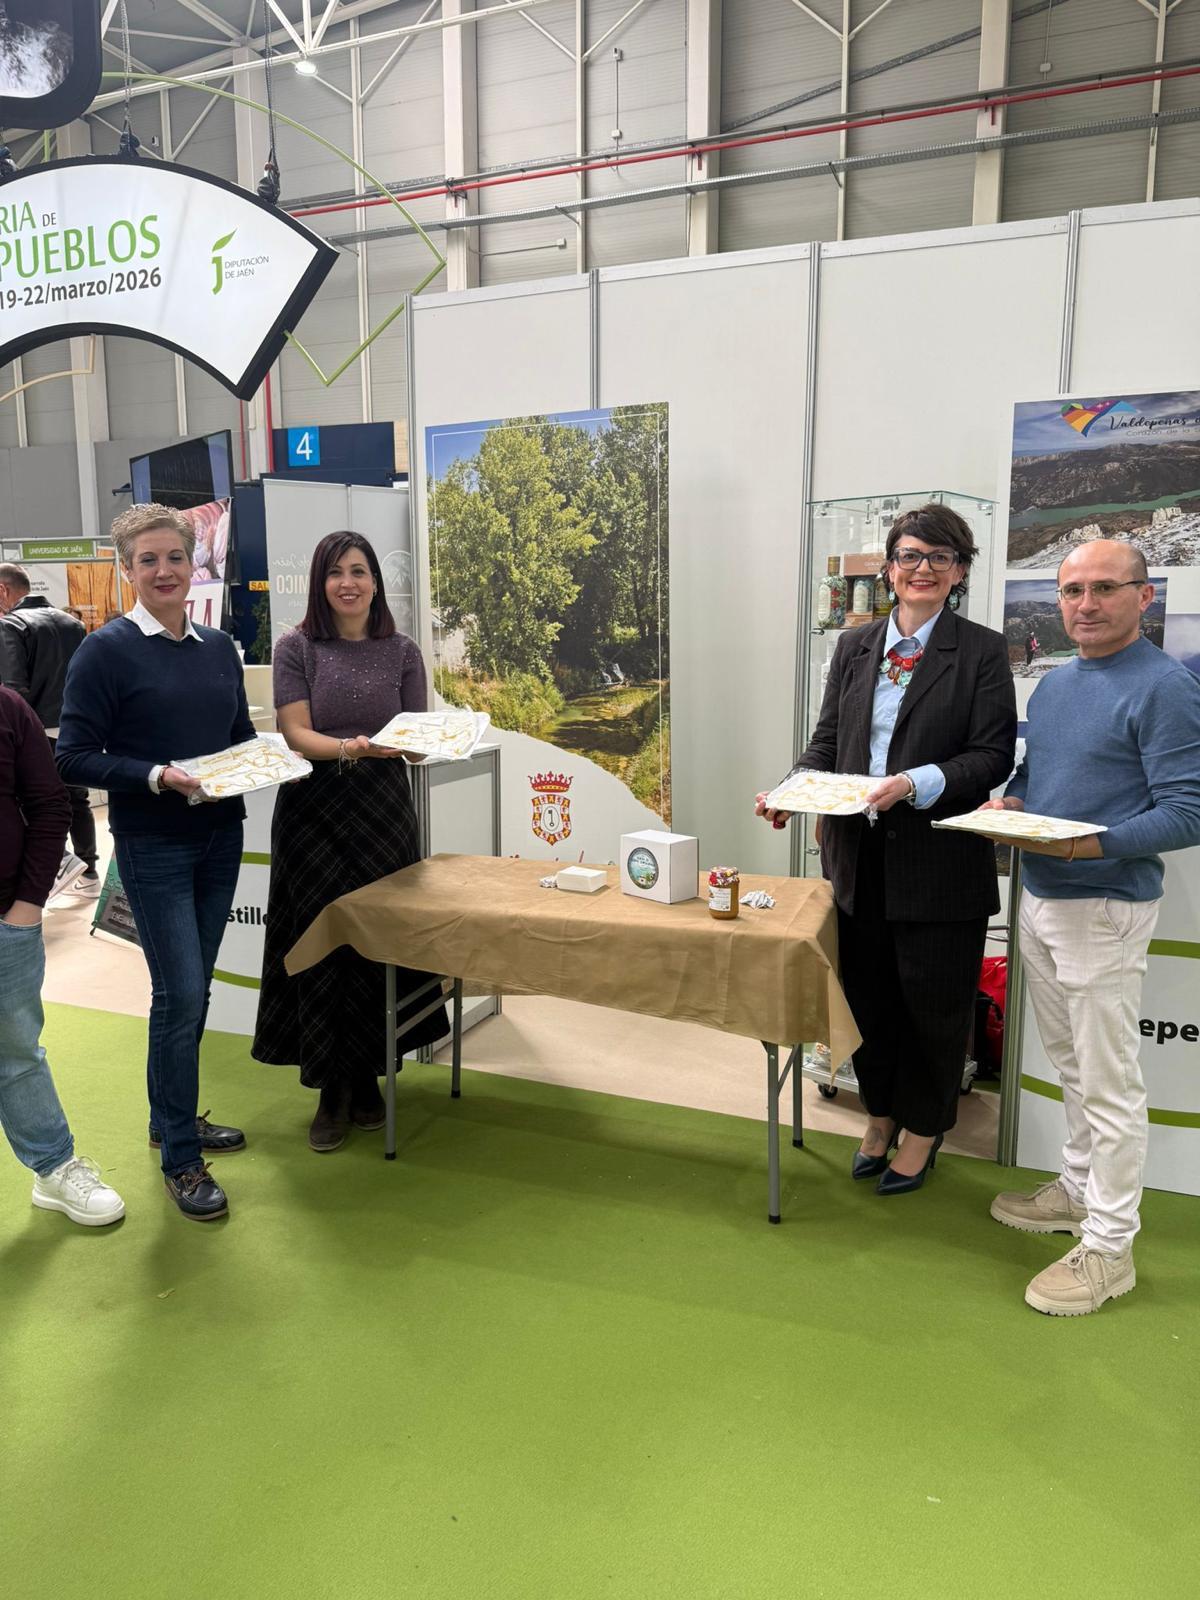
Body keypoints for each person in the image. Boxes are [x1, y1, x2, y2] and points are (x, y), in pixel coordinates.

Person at [756, 504, 1016, 1194]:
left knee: (933, 1006)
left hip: (939, 860)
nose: (922, 569)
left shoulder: (982, 651)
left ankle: (925, 1129)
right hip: (857, 860)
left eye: (939, 558)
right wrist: (791, 790)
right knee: (866, 1001)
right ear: (889, 567)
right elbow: (827, 742)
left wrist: (912, 783)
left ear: (959, 571)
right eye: (908, 556)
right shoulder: (857, 645)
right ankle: (879, 1114)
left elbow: (991, 756)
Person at [976, 540, 1200, 1316]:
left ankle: (1111, 1248)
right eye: (1072, 589)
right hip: (1040, 896)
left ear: (1146, 597)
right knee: (1072, 1061)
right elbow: (1040, 777)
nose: (1086, 604)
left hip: (1104, 904)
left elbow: (1188, 810)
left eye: (1106, 588)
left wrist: (1087, 843)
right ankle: (1077, 1190)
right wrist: (1010, 800)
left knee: (1108, 1083)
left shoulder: (1166, 687)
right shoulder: (1056, 685)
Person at [56, 504, 251, 1223]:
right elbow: (72, 755)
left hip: (219, 836)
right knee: (179, 995)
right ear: (127, 569)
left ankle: (171, 1117)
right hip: (154, 843)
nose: (164, 571)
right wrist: (156, 775)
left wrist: (261, 762)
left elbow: (240, 733)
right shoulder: (104, 651)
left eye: (175, 557)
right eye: (148, 561)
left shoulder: (217, 648)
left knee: (192, 995)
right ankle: (181, 1158)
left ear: (193, 562)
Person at [252, 531, 447, 1152]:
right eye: (336, 572)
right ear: (320, 582)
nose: (349, 583)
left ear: (375, 582)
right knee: (320, 940)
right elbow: (293, 731)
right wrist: (349, 749)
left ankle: (367, 1077)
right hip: (313, 808)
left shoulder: (403, 651)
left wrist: (431, 741)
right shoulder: (296, 647)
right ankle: (328, 1087)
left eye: (359, 571)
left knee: (376, 939)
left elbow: (416, 737)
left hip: (383, 810)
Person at [1, 684, 124, 1227]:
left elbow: (50, 805)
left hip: (7, 917)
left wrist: (26, 906)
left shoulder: (7, 707)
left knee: (16, 1053)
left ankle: (53, 1167)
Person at [0, 563, 99, 894]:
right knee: (76, 799)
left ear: (3, 591)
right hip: (73, 727)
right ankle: (88, 873)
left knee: (31, 805)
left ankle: (57, 870)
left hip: (34, 732)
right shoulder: (72, 623)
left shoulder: (11, 624)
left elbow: (14, 688)